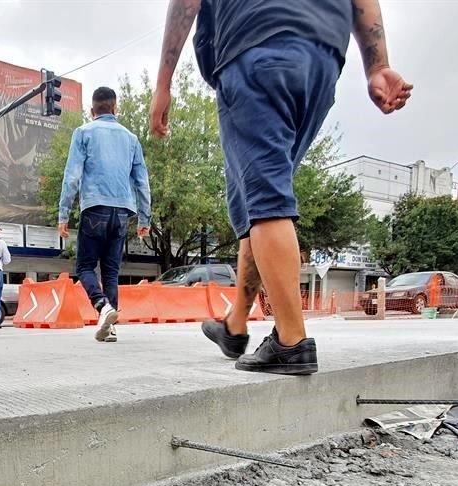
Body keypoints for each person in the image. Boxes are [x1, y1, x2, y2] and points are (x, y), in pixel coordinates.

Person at [150, 0, 412, 374]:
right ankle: (235, 325)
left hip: (256, 47)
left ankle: (292, 342)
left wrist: (163, 84)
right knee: (259, 198)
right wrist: (378, 66)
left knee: (266, 201)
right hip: (321, 62)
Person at [59, 86, 152, 343]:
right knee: (111, 271)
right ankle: (109, 329)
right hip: (123, 211)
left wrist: (63, 214)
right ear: (115, 108)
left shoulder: (83, 133)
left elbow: (72, 177)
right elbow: (142, 182)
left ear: (92, 110)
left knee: (86, 266)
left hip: (94, 207)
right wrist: (145, 219)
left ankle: (102, 307)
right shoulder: (131, 138)